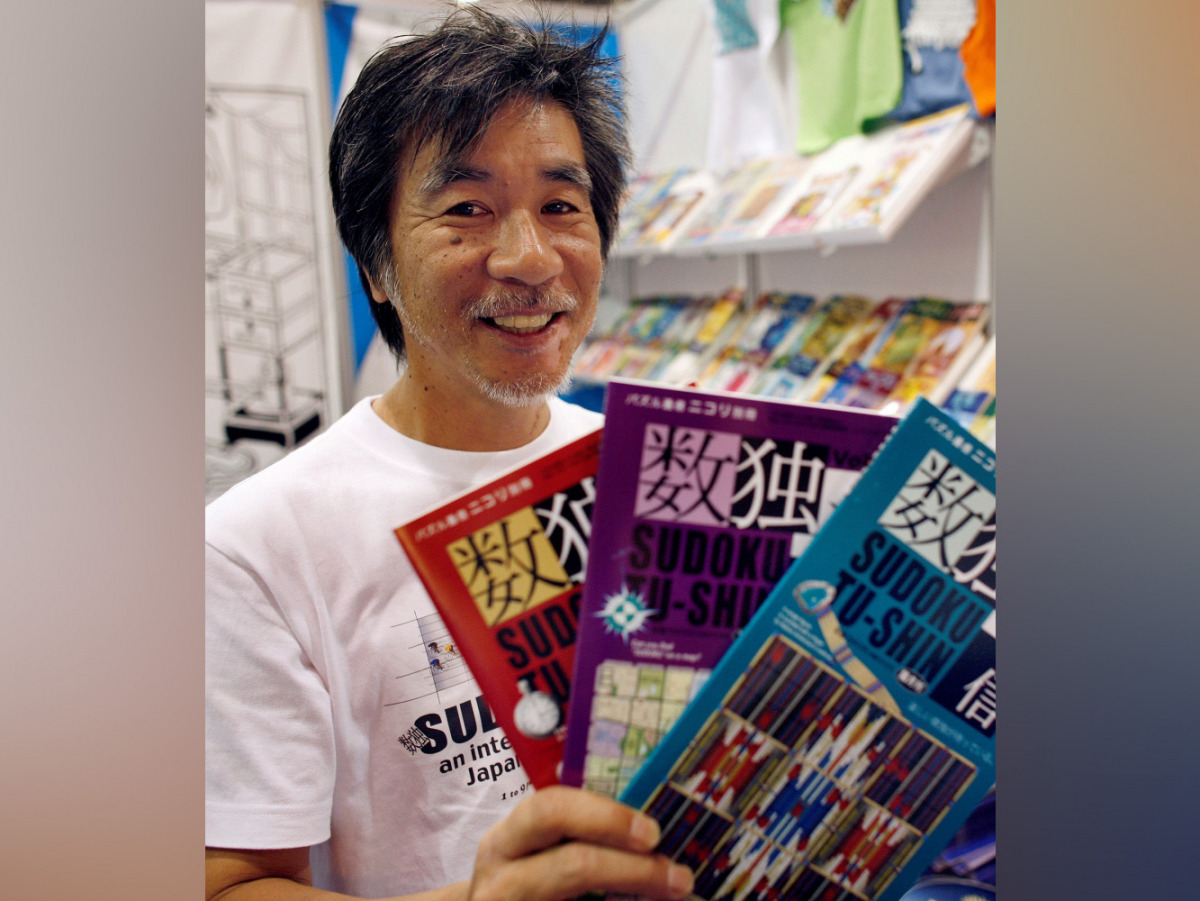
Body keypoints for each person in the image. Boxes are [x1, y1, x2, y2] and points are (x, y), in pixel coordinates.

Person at [205, 8, 694, 901]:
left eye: (560, 206)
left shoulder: (655, 473)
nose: (529, 257)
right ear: (377, 264)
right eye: (468, 210)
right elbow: (228, 883)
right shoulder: (248, 548)